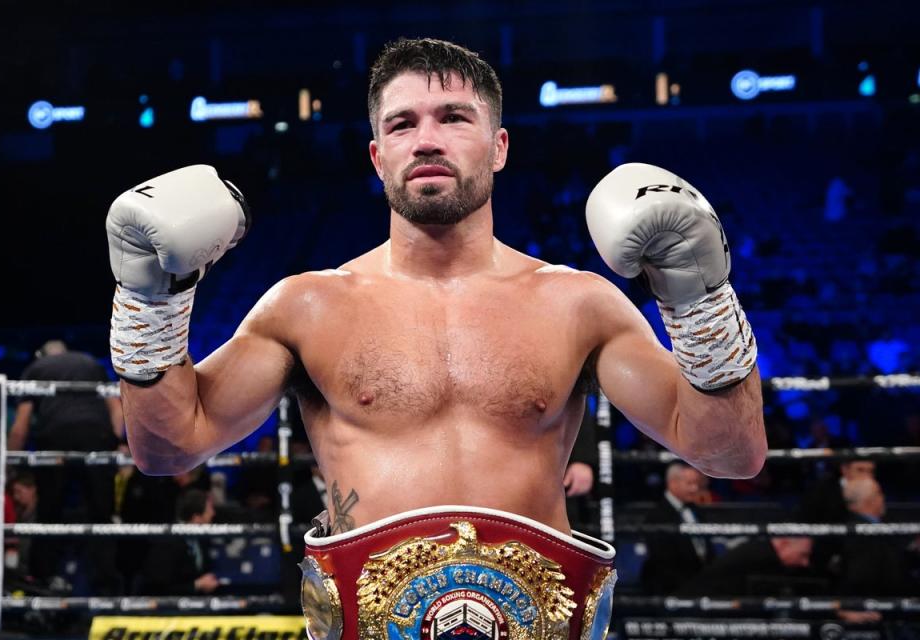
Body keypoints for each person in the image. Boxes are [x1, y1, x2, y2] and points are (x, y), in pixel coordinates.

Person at [106, 38, 764, 639]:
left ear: (499, 147)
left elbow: (730, 454)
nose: (426, 139)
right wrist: (148, 304)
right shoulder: (306, 306)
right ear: (377, 155)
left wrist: (698, 298)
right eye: (402, 123)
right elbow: (168, 449)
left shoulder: (579, 303)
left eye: (453, 117)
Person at [8, 339, 124, 594]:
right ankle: (106, 588)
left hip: (55, 437)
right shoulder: (90, 362)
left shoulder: (36, 368)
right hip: (97, 435)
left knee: (49, 514)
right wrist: (115, 443)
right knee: (101, 515)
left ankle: (42, 581)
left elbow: (21, 425)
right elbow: (116, 407)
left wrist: (10, 463)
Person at [640, 463, 713, 594]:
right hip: (671, 591)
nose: (695, 489)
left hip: (701, 587)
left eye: (697, 484)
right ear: (673, 484)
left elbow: (708, 550)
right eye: (689, 483)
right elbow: (662, 563)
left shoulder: (697, 510)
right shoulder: (656, 516)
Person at [139, 489, 220, 596]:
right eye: (210, 509)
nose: (213, 513)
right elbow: (159, 587)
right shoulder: (168, 542)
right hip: (171, 608)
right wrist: (196, 585)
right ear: (197, 518)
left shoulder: (199, 538)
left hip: (196, 604)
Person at [673, 536, 813, 596]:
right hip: (697, 608)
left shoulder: (761, 550)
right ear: (783, 544)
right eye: (803, 555)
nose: (804, 563)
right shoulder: (763, 559)